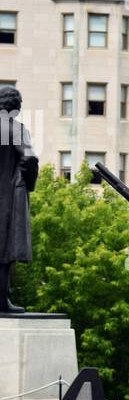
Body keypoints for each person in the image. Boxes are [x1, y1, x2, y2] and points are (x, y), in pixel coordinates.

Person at [0, 85, 39, 314]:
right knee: (5, 251)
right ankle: (2, 300)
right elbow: (29, 159)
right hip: (6, 198)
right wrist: (27, 184)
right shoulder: (14, 129)